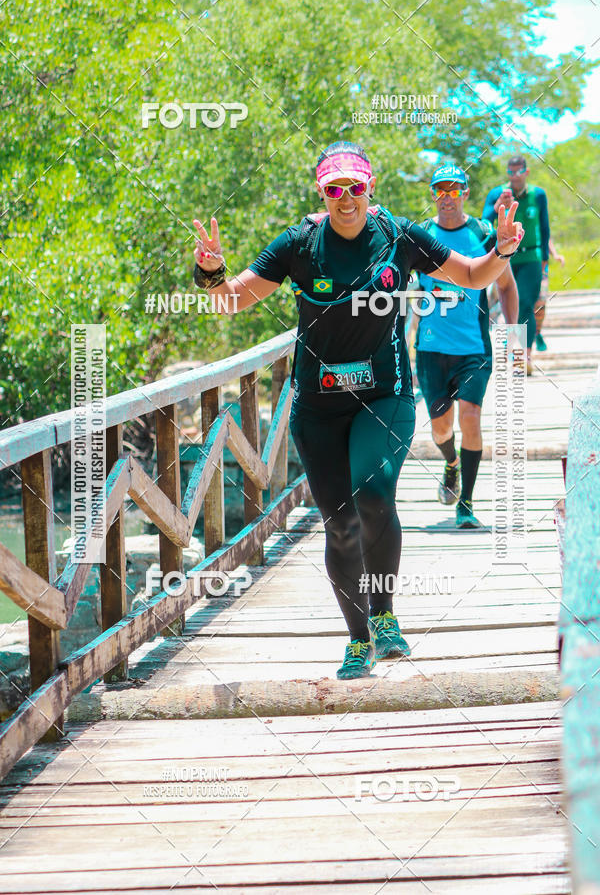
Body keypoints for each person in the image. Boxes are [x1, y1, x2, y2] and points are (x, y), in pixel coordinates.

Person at [192, 141, 523, 680]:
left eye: (356, 188)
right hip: (318, 408)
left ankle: (385, 615)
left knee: (372, 497)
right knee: (340, 524)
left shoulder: (400, 237)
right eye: (335, 189)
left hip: (384, 397)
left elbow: (471, 275)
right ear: (321, 192)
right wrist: (210, 271)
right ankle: (357, 639)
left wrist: (501, 252)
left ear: (371, 189)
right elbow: (231, 297)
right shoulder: (299, 244)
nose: (346, 198)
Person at [415, 164, 518, 529]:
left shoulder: (483, 233)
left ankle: (467, 503)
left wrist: (512, 335)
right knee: (441, 429)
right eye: (439, 191)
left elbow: (505, 286)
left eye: (454, 190)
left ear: (465, 194)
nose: (446, 198)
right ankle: (451, 464)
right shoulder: (422, 235)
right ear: (433, 195)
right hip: (430, 350)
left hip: (474, 348)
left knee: (470, 417)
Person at [483, 154, 550, 373]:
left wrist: (545, 261)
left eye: (518, 171)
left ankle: (525, 356)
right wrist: (497, 207)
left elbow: (545, 227)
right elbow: (483, 224)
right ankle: (512, 351)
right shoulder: (498, 193)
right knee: (509, 305)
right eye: (510, 172)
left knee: (526, 305)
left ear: (526, 172)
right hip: (505, 258)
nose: (514, 176)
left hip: (531, 257)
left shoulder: (538, 195)